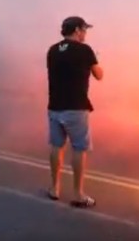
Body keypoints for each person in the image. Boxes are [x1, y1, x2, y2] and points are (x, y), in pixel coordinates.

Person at [45, 16, 103, 208]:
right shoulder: (85, 50)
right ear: (77, 30)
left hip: (54, 106)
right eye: (84, 30)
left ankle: (54, 188)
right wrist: (97, 59)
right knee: (79, 149)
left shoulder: (52, 50)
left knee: (56, 146)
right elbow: (99, 75)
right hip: (76, 107)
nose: (85, 33)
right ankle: (78, 194)